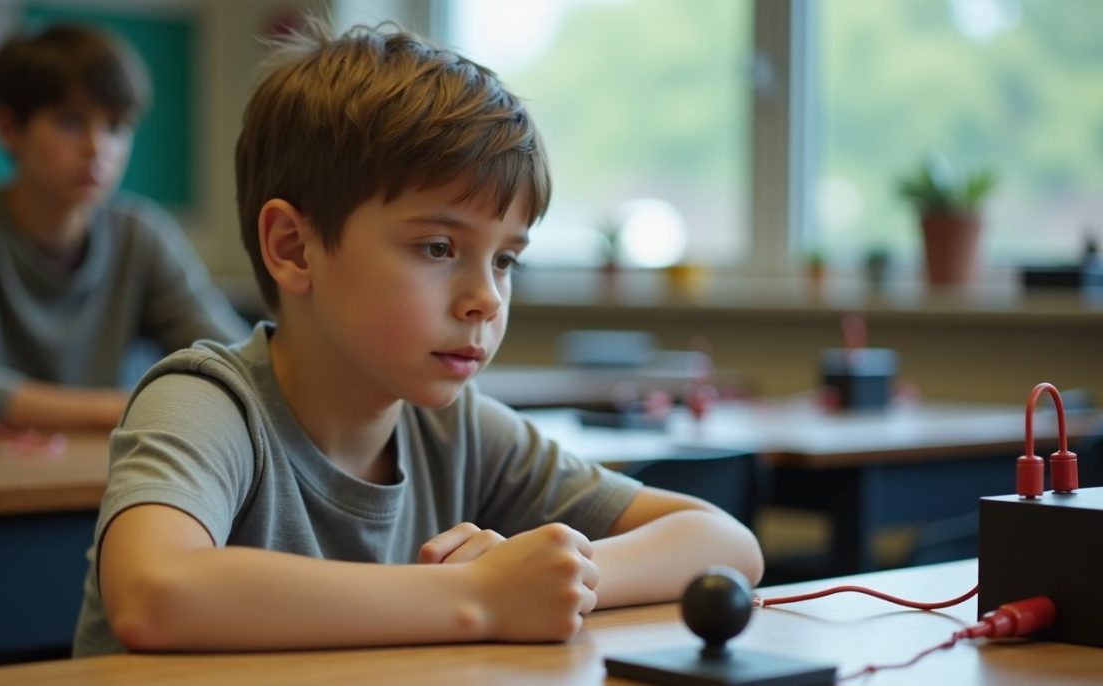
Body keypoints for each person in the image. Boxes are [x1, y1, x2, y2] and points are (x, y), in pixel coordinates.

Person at [73, 18, 763, 656]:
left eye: (505, 260)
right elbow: (154, 594)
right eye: (437, 248)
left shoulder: (456, 430)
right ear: (294, 248)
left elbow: (726, 544)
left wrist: (564, 578)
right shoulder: (206, 404)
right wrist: (480, 597)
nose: (486, 299)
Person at [0, 24, 249, 431]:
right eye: (70, 121)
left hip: (107, 478)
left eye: (116, 127)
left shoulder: (140, 234)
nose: (97, 148)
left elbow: (238, 362)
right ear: (8, 127)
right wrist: (126, 409)